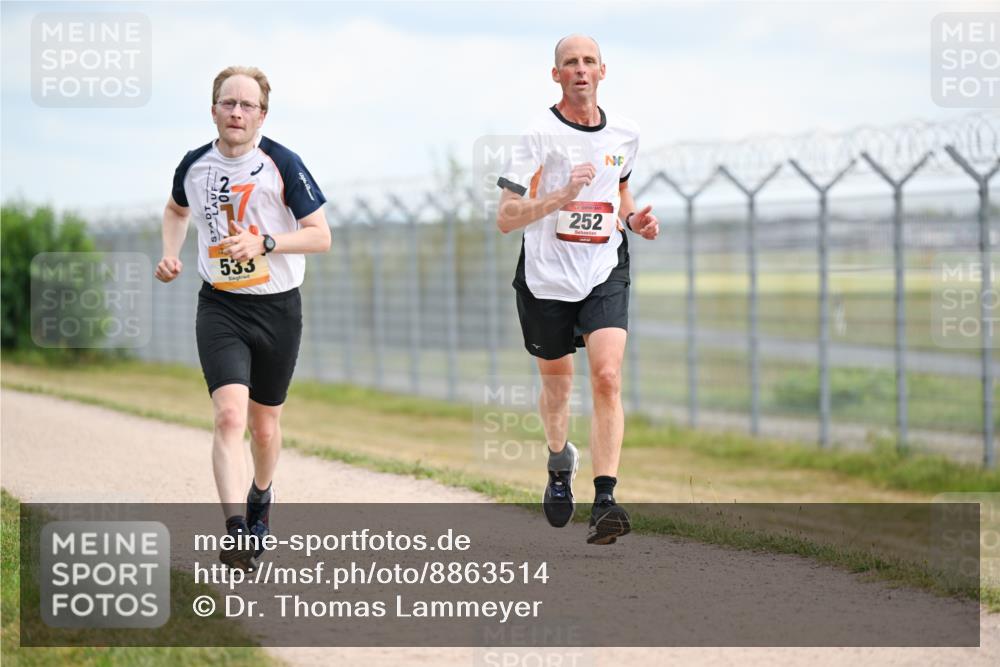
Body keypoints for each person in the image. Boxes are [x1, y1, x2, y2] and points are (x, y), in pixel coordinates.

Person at [154, 66, 331, 569]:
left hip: (277, 308)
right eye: (228, 103)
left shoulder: (282, 163)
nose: (236, 112)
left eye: (246, 105)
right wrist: (170, 254)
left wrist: (265, 242)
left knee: (264, 428)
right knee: (229, 416)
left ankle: (261, 496)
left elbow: (320, 236)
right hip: (221, 305)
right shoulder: (194, 165)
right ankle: (235, 531)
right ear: (213, 110)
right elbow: (176, 211)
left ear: (262, 115)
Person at [495, 36, 659, 545]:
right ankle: (559, 461)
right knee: (558, 387)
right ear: (556, 75)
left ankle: (605, 500)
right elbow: (506, 217)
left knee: (607, 377)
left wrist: (634, 219)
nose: (581, 70)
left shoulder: (626, 132)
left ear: (603, 71)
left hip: (603, 266)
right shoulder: (537, 135)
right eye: (571, 63)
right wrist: (562, 194)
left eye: (589, 62)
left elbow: (620, 188)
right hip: (547, 276)